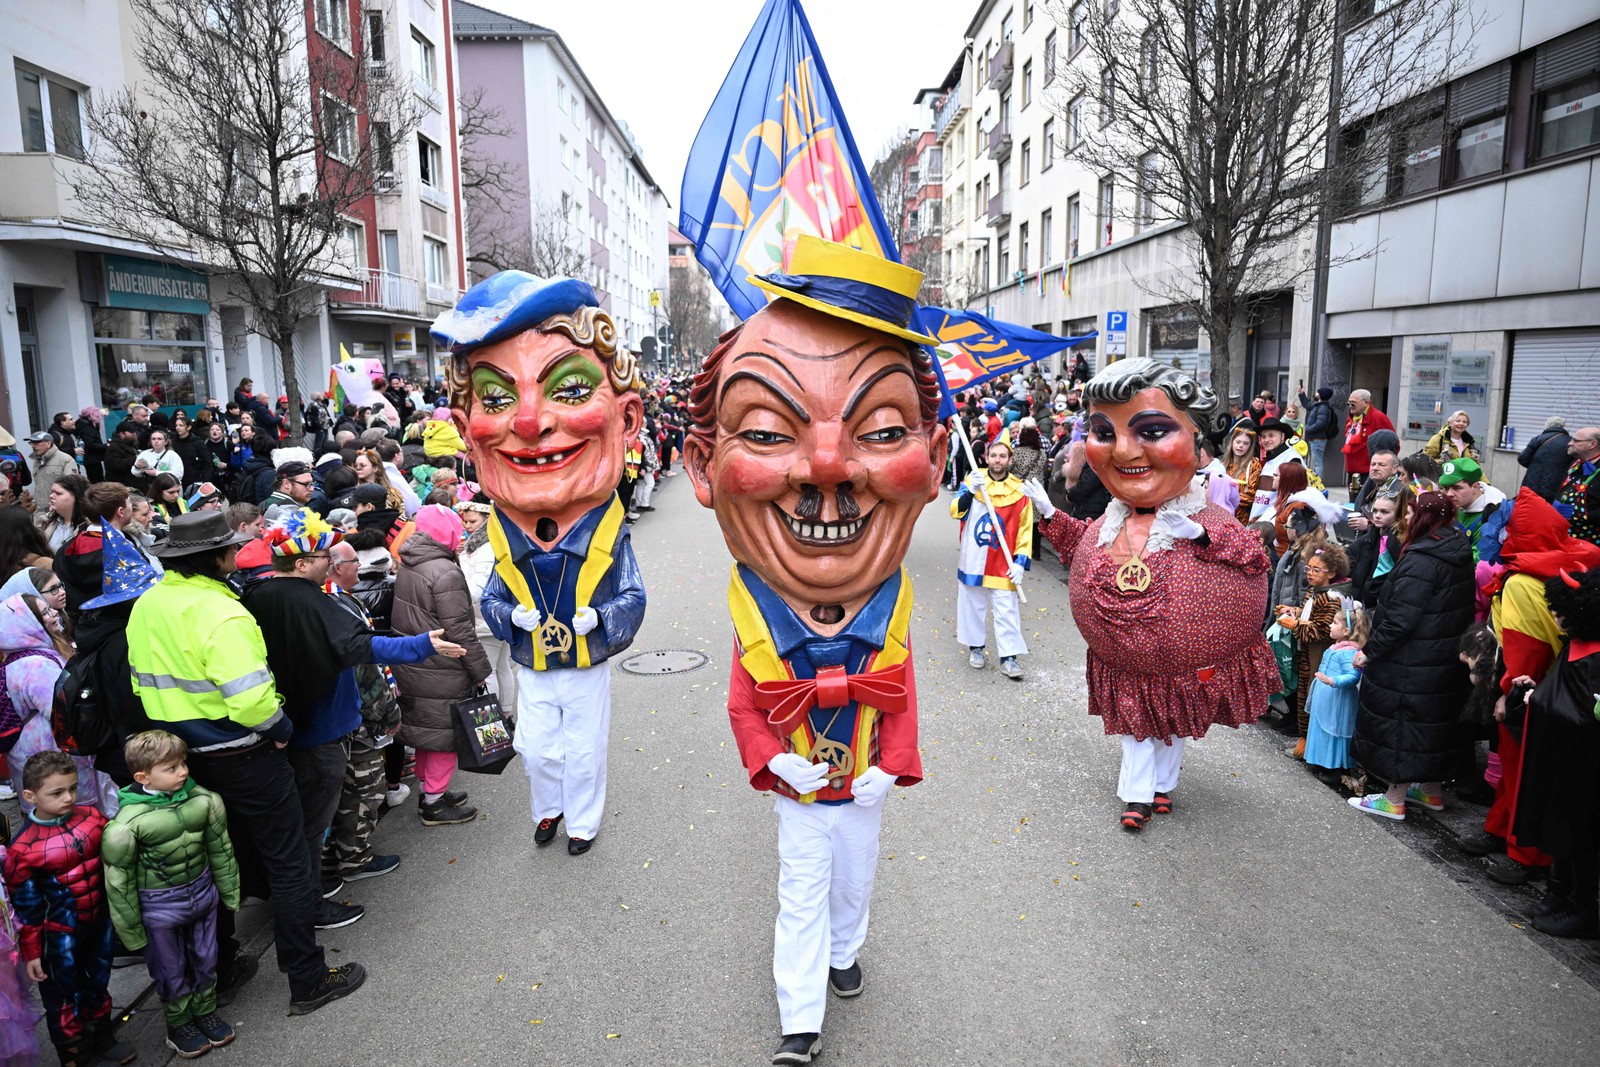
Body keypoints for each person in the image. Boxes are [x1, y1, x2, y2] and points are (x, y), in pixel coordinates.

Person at [680, 236, 939, 1066]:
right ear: (702, 466)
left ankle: (845, 950)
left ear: (932, 460)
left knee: (854, 882)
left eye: (884, 427)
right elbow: (740, 700)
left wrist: (890, 765)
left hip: (861, 784)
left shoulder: (890, 608)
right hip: (800, 787)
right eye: (763, 429)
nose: (828, 464)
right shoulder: (755, 617)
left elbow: (901, 694)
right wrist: (771, 760)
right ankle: (802, 1018)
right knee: (800, 891)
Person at [436, 273, 648, 858]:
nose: (528, 423)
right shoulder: (501, 532)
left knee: (583, 746)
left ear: (625, 418)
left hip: (583, 663)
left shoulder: (607, 529)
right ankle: (547, 810)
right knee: (537, 746)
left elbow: (632, 595)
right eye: (497, 399)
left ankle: (582, 820)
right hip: (534, 658)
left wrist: (600, 621)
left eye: (571, 390)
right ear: (466, 433)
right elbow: (496, 599)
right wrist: (515, 622)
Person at [127, 509, 365, 1016]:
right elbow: (253, 701)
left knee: (220, 860)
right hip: (243, 752)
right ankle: (308, 978)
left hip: (184, 757)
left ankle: (224, 969)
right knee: (289, 862)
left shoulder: (148, 605)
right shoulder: (224, 613)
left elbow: (139, 682)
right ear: (216, 558)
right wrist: (280, 731)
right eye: (231, 549)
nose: (238, 555)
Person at [1030, 358, 1278, 833]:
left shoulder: (1206, 518)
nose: (1124, 451)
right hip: (1125, 663)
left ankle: (1163, 785)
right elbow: (1080, 548)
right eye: (1105, 432)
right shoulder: (1110, 520)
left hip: (1186, 664)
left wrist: (1204, 538)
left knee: (1173, 723)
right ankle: (1137, 795)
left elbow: (1254, 557)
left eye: (1153, 430)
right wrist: (1050, 515)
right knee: (1137, 730)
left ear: (1198, 443)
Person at [241, 508, 462, 922]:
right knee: (311, 826)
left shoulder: (255, 596)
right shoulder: (313, 602)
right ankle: (309, 904)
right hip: (321, 729)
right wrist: (424, 645)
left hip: (288, 725)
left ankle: (308, 892)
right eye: (327, 556)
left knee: (304, 821)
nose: (337, 561)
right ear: (303, 563)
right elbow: (365, 647)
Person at [101, 730, 241, 1058]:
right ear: (142, 776)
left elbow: (221, 849)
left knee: (206, 959)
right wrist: (132, 933)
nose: (183, 772)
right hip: (159, 909)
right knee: (170, 968)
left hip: (203, 899)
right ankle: (179, 1024)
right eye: (171, 767)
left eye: (183, 763)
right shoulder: (124, 826)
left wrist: (230, 891)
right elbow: (118, 884)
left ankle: (205, 1012)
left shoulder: (205, 801)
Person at [2, 751, 135, 1066]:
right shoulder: (23, 849)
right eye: (57, 792)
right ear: (29, 795)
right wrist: (32, 952)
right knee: (62, 996)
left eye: (72, 789)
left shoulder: (91, 818)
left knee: (98, 979)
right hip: (57, 936)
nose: (68, 797)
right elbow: (26, 907)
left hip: (99, 921)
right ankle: (76, 1053)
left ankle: (102, 1035)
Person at [1349, 492, 1475, 820]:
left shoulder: (1423, 559)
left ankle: (1393, 799)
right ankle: (1431, 792)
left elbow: (1400, 619)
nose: (1405, 518)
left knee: (1404, 726)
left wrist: (1369, 652)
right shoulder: (1456, 550)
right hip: (1442, 658)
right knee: (1432, 726)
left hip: (1412, 662)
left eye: (1412, 512)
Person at [1510, 568, 1600, 940]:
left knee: (1580, 836)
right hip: (1563, 756)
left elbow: (1585, 712)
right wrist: (1537, 690)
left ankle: (1581, 907)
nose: (1556, 617)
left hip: (1584, 763)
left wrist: (1539, 698)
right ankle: (1556, 893)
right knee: (1559, 827)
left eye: (1561, 611)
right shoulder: (1577, 643)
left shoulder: (1594, 656)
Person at [388, 504, 491, 825]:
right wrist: (480, 671)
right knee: (445, 736)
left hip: (414, 661)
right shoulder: (444, 571)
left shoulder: (411, 561)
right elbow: (460, 629)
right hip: (442, 665)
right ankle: (433, 802)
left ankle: (429, 791)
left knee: (425, 733)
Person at [320, 540, 404, 883]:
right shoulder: (332, 604)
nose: (361, 566)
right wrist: (387, 709)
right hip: (355, 713)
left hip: (346, 711)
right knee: (364, 786)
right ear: (337, 567)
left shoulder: (338, 598)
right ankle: (353, 859)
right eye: (355, 561)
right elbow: (362, 666)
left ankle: (332, 859)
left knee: (348, 788)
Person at [952, 436, 1033, 680]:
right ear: (986, 458)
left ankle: (1009, 658)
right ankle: (976, 648)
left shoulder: (1020, 491)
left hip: (1004, 562)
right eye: (993, 455)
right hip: (974, 558)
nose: (997, 460)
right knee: (972, 606)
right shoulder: (973, 480)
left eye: (1002, 456)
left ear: (1010, 460)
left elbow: (1025, 530)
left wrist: (1020, 563)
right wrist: (971, 491)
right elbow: (956, 510)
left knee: (1007, 610)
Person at [1274, 543, 1350, 758]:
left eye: (1316, 570)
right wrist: (1294, 612)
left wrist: (1295, 625)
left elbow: (1323, 630)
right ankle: (1304, 742)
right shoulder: (1315, 590)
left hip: (1319, 656)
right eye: (1309, 569)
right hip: (1307, 653)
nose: (1310, 574)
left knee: (1313, 697)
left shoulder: (1332, 597)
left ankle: (1309, 747)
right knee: (1304, 696)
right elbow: (1309, 615)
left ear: (1332, 573)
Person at [1304, 598, 1369, 780]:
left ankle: (1336, 769)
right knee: (1322, 727)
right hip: (1326, 696)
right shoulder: (1336, 647)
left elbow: (1353, 676)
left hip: (1337, 698)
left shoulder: (1349, 652)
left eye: (1334, 623)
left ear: (1347, 631)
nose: (1330, 626)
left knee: (1335, 729)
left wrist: (1332, 680)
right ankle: (1322, 762)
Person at [1349, 477, 1408, 608]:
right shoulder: (1369, 537)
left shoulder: (1397, 542)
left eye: (1384, 512)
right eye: (1375, 510)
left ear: (1398, 514)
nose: (1377, 515)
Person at [1438, 457, 1507, 563]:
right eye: (1445, 488)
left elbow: (1477, 561)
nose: (1449, 494)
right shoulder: (1457, 503)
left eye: (1457, 488)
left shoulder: (1491, 516)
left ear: (1475, 487)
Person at [1340, 388, 1395, 495]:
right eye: (1349, 403)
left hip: (1369, 470)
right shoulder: (1352, 419)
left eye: (1353, 403)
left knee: (1366, 502)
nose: (1350, 406)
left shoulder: (1378, 418)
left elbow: (1393, 442)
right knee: (1354, 502)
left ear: (1366, 403)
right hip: (1353, 470)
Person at [1554, 425, 1600, 545]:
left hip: (1590, 543)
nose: (1569, 443)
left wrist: (1580, 516)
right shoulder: (1575, 465)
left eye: (1576, 440)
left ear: (1593, 444)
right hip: (1564, 537)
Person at [1518, 416, 1573, 500]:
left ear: (1547, 425)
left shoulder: (1538, 439)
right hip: (1555, 486)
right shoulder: (1570, 442)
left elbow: (1522, 458)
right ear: (1563, 426)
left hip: (1531, 484)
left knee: (1529, 508)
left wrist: (1535, 466)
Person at [24, 431, 76, 514]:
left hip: (58, 511)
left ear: (48, 443)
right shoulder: (37, 460)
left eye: (37, 442)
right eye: (31, 443)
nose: (33, 446)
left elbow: (71, 487)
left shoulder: (65, 460)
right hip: (39, 511)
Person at [38, 471, 88, 554]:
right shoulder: (46, 521)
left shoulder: (89, 527)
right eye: (52, 492)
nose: (51, 496)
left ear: (77, 496)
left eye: (58, 493)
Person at [1222, 421, 1262, 523]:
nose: (1241, 446)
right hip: (1221, 517)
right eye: (1238, 442)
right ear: (1232, 443)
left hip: (1240, 520)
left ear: (1250, 446)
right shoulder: (1222, 465)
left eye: (1245, 443)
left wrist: (1227, 498)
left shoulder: (1254, 465)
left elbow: (1251, 496)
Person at [1296, 384, 1339, 478]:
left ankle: (1318, 484)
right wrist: (1301, 393)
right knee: (1316, 462)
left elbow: (1321, 423)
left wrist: (1308, 429)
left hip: (1318, 439)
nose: (1315, 394)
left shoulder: (1323, 408)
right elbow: (1307, 404)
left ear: (1320, 395)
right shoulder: (1318, 406)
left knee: (1317, 463)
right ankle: (1316, 482)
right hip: (1315, 438)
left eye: (1317, 392)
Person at [74, 408, 107, 484]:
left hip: (89, 458)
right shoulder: (88, 428)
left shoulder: (82, 425)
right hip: (93, 458)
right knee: (97, 479)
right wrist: (105, 446)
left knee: (94, 478)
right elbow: (91, 444)